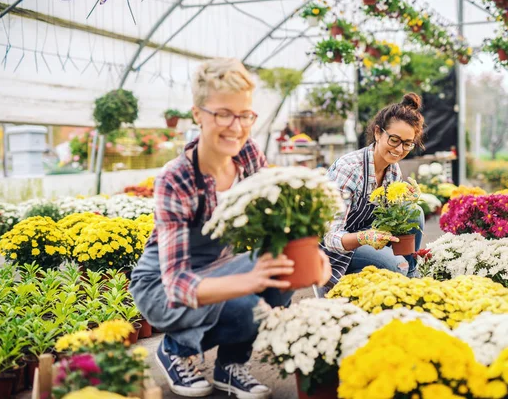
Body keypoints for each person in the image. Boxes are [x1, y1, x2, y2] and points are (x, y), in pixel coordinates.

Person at [129, 58, 332, 399]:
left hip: (219, 267)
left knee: (279, 269)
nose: (235, 127)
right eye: (223, 113)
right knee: (257, 285)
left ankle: (230, 365)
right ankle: (176, 349)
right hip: (162, 286)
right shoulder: (176, 178)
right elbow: (177, 284)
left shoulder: (248, 154)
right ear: (198, 114)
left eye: (245, 115)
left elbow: (281, 212)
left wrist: (313, 256)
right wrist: (250, 280)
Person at [320, 93, 425, 294]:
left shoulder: (393, 170)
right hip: (334, 251)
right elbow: (329, 237)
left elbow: (392, 220)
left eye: (407, 143)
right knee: (396, 266)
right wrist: (365, 237)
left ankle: (409, 281)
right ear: (378, 133)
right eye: (394, 140)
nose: (399, 149)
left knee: (414, 212)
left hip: (368, 239)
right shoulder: (349, 169)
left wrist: (407, 201)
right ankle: (346, 282)